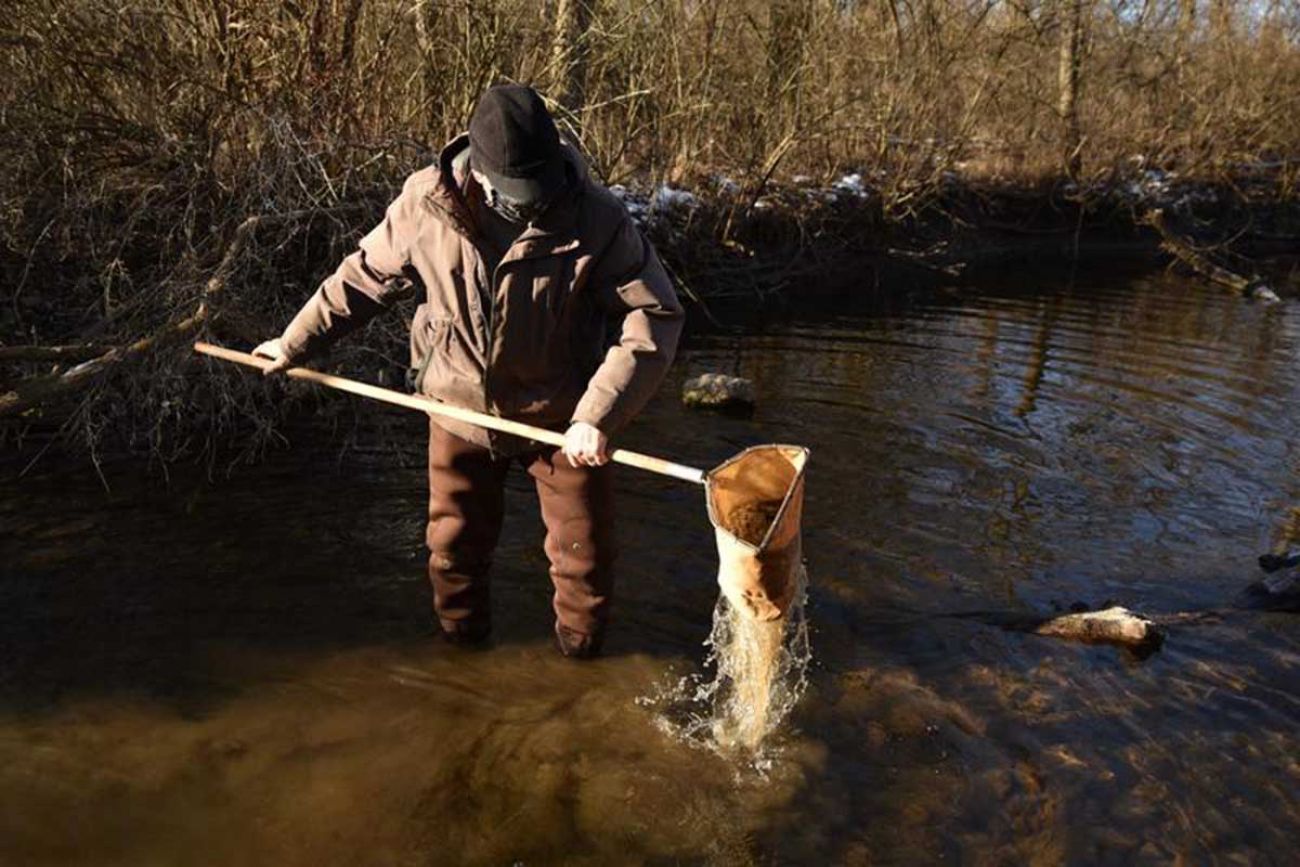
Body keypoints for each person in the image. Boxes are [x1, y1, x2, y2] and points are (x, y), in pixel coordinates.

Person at [254, 85, 684, 658]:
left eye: (539, 186)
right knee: (454, 552)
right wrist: (292, 343)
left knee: (585, 560)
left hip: (563, 417)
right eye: (516, 191)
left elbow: (653, 312)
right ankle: (462, 658)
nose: (531, 201)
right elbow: (360, 280)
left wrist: (598, 416)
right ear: (478, 172)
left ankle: (582, 667)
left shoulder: (597, 217)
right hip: (455, 407)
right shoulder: (424, 205)